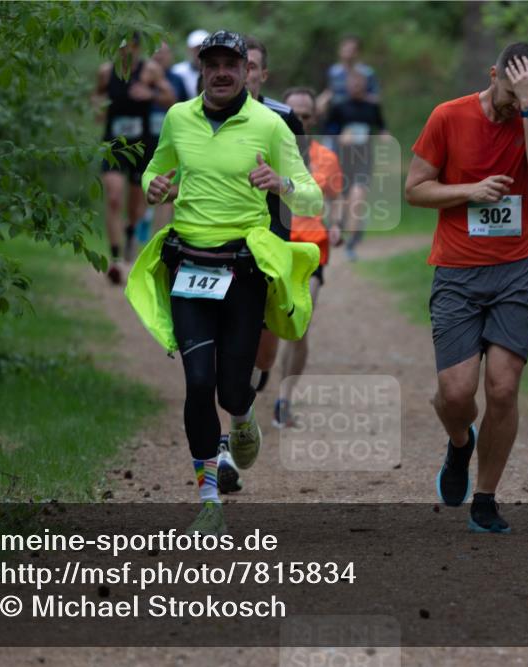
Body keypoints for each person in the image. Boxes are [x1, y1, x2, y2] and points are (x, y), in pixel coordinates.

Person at [126, 31, 322, 535]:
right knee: (197, 383)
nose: (220, 73)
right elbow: (155, 170)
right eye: (211, 64)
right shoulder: (178, 118)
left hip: (243, 268)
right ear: (200, 69)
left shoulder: (269, 124)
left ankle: (243, 415)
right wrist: (154, 187)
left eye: (230, 64)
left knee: (233, 390)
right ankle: (209, 499)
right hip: (188, 263)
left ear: (244, 70)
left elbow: (312, 200)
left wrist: (281, 185)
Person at [404, 42, 528, 534]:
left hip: (516, 269)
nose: (515, 104)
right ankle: (459, 444)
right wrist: (468, 191)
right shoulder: (448, 117)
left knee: (504, 389)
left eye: (526, 95)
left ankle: (486, 497)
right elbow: (415, 188)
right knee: (456, 393)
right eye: (510, 92)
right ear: (493, 74)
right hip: (457, 270)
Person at [210, 35, 311, 493]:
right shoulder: (199, 115)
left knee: (260, 352)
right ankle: (224, 446)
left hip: (269, 245)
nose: (240, 73)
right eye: (234, 64)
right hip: (213, 244)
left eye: (249, 66)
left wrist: (282, 192)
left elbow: (303, 187)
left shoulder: (284, 120)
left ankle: (245, 400)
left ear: (261, 74)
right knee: (214, 344)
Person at [273, 87, 343, 428]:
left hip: (313, 248)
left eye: (305, 115)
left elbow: (335, 197)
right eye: (293, 113)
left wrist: (339, 224)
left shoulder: (326, 157)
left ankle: (284, 399)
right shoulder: (267, 152)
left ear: (313, 119)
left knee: (300, 325)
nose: (299, 119)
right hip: (273, 247)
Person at [94, 33, 176, 284]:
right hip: (114, 144)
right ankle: (116, 258)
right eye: (122, 48)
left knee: (136, 204)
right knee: (115, 197)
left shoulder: (149, 70)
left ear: (139, 49)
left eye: (131, 48)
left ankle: (130, 233)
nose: (126, 53)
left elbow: (170, 98)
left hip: (141, 146)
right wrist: (98, 108)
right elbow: (96, 95)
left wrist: (150, 94)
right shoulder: (106, 72)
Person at [326, 67, 387, 261]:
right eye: (352, 84)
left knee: (358, 195)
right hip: (342, 159)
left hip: (364, 158)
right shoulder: (339, 107)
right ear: (347, 86)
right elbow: (328, 131)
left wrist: (385, 135)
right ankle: (346, 229)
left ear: (365, 85)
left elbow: (382, 126)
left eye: (359, 83)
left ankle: (351, 244)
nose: (356, 87)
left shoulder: (372, 107)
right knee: (344, 201)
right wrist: (340, 137)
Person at [135, 41, 188, 243]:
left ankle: (159, 239)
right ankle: (138, 235)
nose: (159, 57)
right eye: (155, 53)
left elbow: (183, 106)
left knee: (166, 194)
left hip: (170, 145)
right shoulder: (140, 76)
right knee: (142, 190)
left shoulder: (177, 80)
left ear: (171, 56)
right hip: (143, 142)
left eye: (163, 53)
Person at [316, 34, 380, 118]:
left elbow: (376, 98)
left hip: (361, 111)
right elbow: (330, 91)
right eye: (345, 49)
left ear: (358, 52)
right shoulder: (334, 72)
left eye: (352, 50)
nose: (348, 52)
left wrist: (361, 96)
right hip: (338, 111)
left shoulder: (367, 72)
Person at [170, 29, 209, 101]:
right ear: (189, 50)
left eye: (204, 48)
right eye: (197, 48)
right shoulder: (177, 71)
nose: (201, 52)